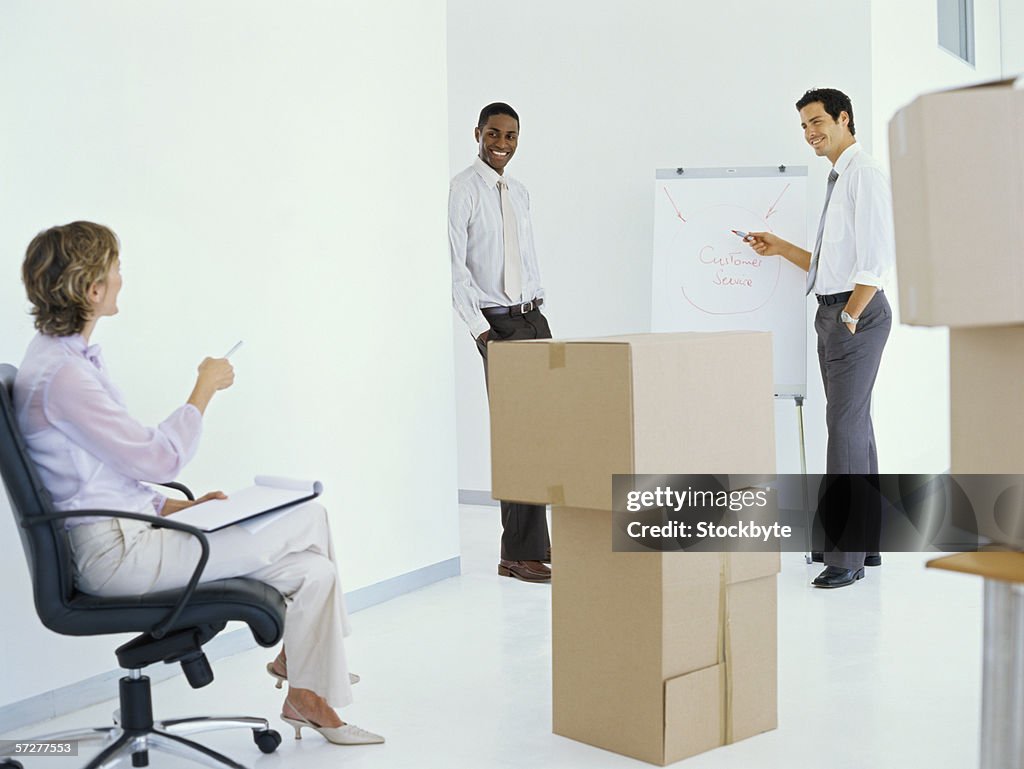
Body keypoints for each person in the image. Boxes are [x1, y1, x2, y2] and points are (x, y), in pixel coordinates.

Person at [13, 221, 383, 744]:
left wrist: (172, 510)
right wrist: (204, 387)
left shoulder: (56, 362)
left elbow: (100, 475)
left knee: (313, 571)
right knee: (309, 514)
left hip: (132, 535)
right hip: (118, 558)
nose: (122, 277)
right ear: (93, 289)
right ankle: (306, 671)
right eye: (115, 268)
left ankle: (305, 684)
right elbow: (159, 457)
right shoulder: (64, 376)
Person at [744, 88, 893, 589]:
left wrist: (850, 316)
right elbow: (831, 264)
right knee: (855, 426)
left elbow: (874, 258)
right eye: (804, 126)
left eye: (817, 122)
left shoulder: (864, 172)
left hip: (856, 313)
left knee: (845, 430)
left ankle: (845, 552)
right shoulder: (839, 177)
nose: (810, 133)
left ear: (843, 119)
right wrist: (782, 247)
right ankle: (865, 543)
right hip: (835, 311)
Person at [449, 102, 552, 584]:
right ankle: (517, 553)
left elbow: (523, 254)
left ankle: (533, 547)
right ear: (477, 133)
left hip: (533, 319)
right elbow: (453, 263)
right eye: (494, 134)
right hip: (497, 325)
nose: (502, 144)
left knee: (544, 436)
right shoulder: (462, 190)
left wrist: (538, 304)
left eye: (511, 136)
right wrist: (480, 329)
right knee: (519, 438)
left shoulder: (521, 192)